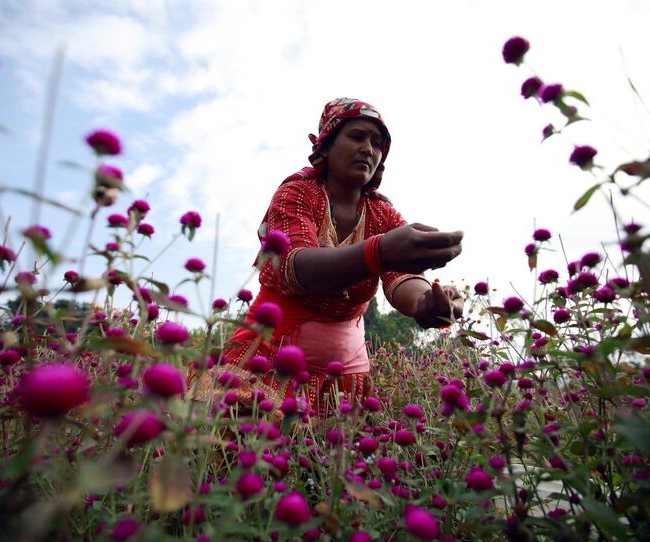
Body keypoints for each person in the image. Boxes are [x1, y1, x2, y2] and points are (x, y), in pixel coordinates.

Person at [192, 97, 463, 418]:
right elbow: (297, 267)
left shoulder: (382, 213)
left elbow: (400, 277)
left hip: (342, 379)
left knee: (323, 464)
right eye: (357, 136)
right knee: (243, 451)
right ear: (327, 144)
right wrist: (378, 252)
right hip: (266, 359)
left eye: (377, 144)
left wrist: (426, 303)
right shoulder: (297, 193)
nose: (368, 149)